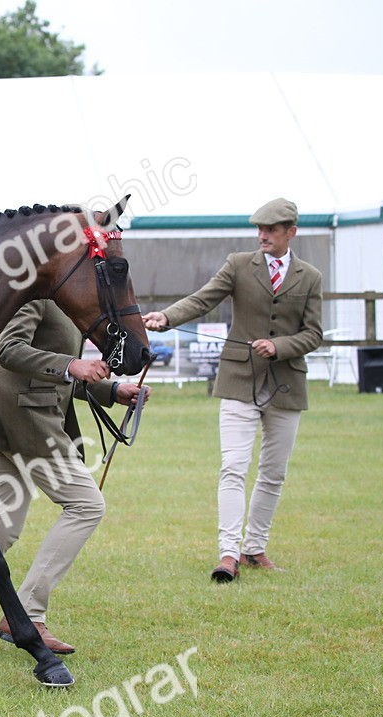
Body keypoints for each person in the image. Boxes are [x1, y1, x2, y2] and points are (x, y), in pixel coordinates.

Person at [0, 299, 150, 657]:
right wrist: (72, 363)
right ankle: (28, 613)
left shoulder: (67, 300)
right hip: (25, 418)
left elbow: (60, 375)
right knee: (86, 505)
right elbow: (9, 350)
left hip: (18, 413)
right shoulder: (37, 292)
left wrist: (111, 391)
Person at [143, 198, 323, 582]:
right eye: (259, 228)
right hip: (239, 382)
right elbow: (203, 298)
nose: (263, 235)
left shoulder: (310, 276)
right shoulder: (239, 264)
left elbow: (314, 333)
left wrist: (280, 346)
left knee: (273, 473)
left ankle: (255, 548)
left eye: (271, 230)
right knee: (233, 468)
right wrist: (167, 317)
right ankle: (228, 553)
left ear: (291, 232)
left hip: (287, 385)